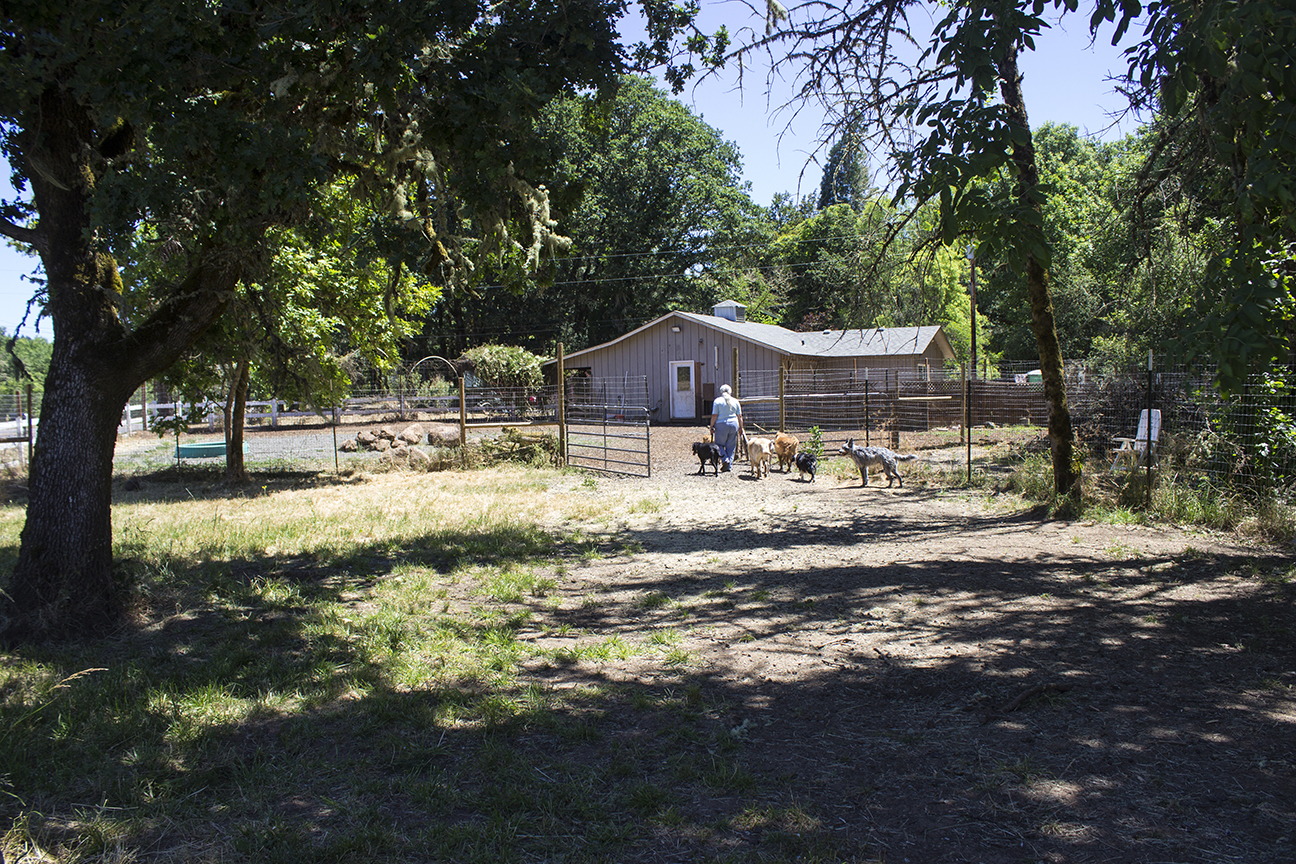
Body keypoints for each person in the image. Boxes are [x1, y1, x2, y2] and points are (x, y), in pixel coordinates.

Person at [709, 384, 744, 472]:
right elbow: (739, 416)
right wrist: (741, 427)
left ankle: (725, 460)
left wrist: (711, 426)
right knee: (731, 446)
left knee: (718, 444)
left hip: (721, 424)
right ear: (730, 392)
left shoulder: (717, 401)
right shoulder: (735, 401)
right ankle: (729, 466)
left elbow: (714, 415)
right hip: (734, 424)